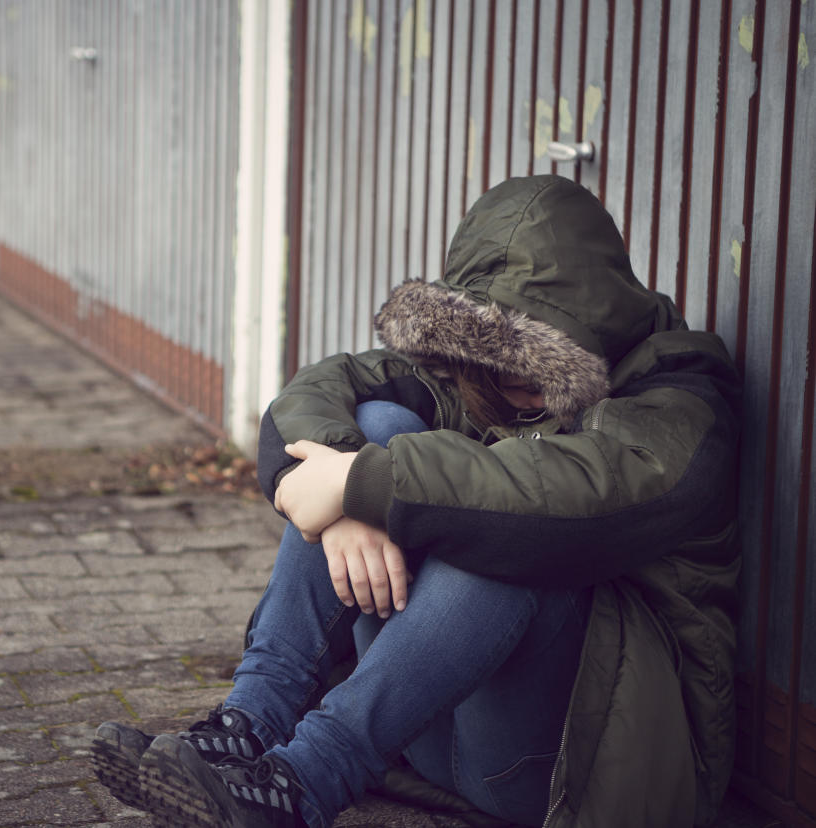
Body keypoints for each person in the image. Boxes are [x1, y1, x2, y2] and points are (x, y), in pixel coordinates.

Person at [91, 175, 741, 828]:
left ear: (592, 327)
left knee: (505, 529)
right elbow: (321, 390)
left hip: (570, 762)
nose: (508, 374)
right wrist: (345, 510)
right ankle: (249, 726)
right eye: (493, 351)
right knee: (375, 424)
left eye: (537, 351)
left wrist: (359, 487)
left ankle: (301, 785)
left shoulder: (678, 397)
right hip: (426, 731)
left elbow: (571, 496)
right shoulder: (468, 376)